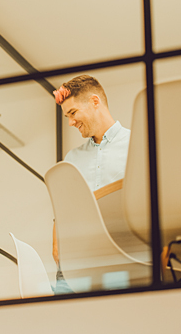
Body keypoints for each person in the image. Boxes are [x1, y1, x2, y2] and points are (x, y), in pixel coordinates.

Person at [51, 75, 131, 268]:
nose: (70, 122)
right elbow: (62, 211)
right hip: (80, 262)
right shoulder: (71, 159)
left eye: (73, 112)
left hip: (127, 255)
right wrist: (58, 249)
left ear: (94, 102)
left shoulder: (137, 144)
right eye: (67, 116)